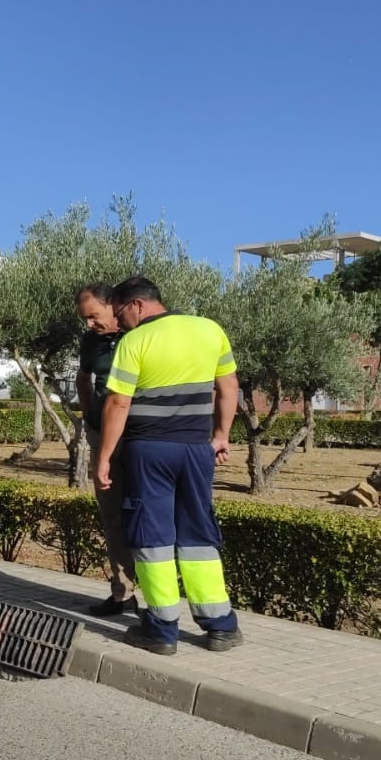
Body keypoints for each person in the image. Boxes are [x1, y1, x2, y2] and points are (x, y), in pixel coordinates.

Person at [94, 275, 243, 656]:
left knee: (152, 536)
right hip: (196, 449)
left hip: (150, 450)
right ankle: (220, 625)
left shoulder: (135, 341)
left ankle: (161, 630)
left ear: (138, 305)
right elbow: (229, 387)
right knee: (198, 535)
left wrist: (105, 457)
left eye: (121, 313)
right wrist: (222, 434)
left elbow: (117, 404)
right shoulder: (210, 330)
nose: (120, 321)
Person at [74, 282, 139, 617]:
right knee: (112, 515)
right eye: (85, 319)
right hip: (104, 439)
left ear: (112, 305)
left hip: (139, 437)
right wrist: (89, 418)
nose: (89, 324)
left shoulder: (139, 336)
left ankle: (159, 599)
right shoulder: (91, 342)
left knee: (144, 515)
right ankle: (122, 593)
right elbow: (83, 379)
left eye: (93, 316)